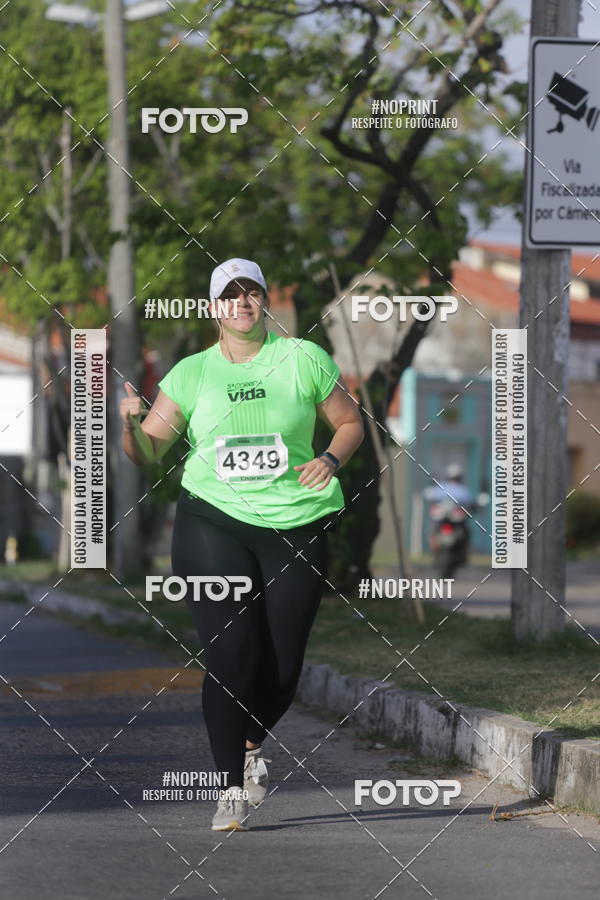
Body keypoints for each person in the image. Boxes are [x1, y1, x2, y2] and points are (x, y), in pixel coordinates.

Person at [120, 258, 364, 831]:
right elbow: (151, 453)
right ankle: (228, 786)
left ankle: (250, 744)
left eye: (252, 292)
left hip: (294, 523)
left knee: (282, 665)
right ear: (214, 309)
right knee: (232, 654)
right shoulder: (191, 373)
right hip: (212, 522)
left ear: (265, 303)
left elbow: (350, 423)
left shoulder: (303, 358)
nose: (243, 303)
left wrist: (330, 459)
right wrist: (130, 427)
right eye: (230, 295)